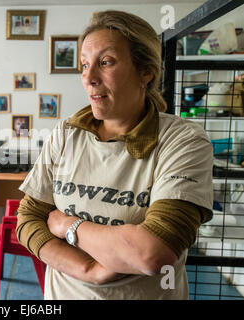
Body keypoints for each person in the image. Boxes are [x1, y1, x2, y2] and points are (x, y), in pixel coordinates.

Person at [16, 10, 213, 300]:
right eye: (84, 65)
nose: (89, 78)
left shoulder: (182, 141)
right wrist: (88, 270)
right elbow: (28, 220)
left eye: (105, 62)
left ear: (146, 71)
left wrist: (68, 225)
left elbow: (151, 253)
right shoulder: (67, 133)